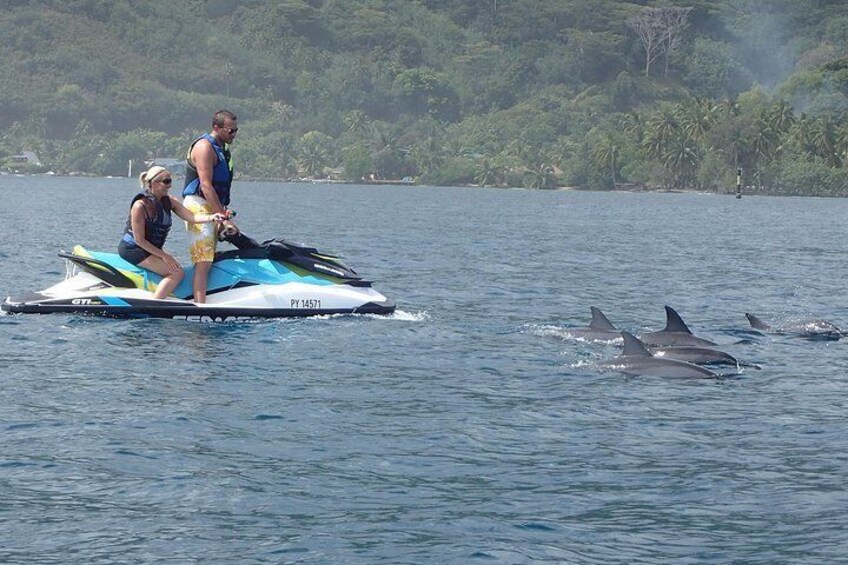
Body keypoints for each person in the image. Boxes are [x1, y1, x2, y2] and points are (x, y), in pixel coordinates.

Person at [119, 166, 226, 300]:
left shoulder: (169, 201)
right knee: (177, 273)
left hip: (150, 249)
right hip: (133, 249)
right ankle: (155, 304)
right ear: (153, 182)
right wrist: (165, 256)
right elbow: (139, 240)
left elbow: (191, 217)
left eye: (170, 181)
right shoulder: (140, 206)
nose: (169, 185)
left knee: (175, 266)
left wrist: (212, 217)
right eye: (166, 181)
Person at [181, 109, 240, 303]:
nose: (234, 134)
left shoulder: (223, 150)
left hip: (213, 207)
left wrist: (223, 213)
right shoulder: (205, 147)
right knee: (203, 260)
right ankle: (200, 306)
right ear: (216, 127)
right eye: (230, 131)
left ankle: (209, 297)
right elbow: (205, 185)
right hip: (198, 205)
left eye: (236, 130)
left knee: (212, 257)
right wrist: (222, 217)